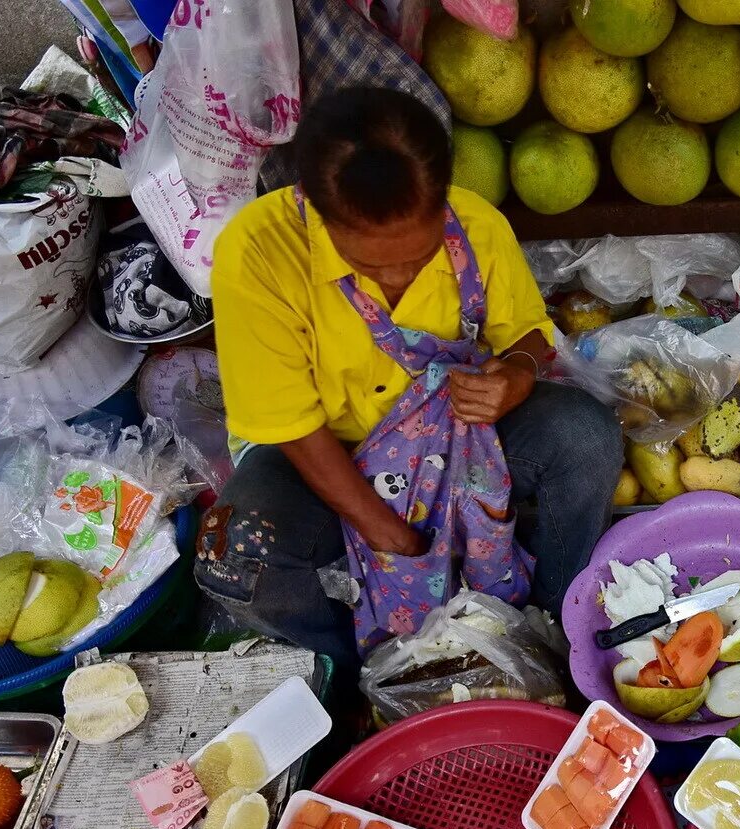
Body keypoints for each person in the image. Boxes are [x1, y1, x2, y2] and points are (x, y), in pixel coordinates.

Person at [197, 86, 620, 671]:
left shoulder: (475, 226)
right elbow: (291, 427)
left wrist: (517, 377)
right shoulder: (258, 256)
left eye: (419, 256)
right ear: (315, 211)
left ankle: (553, 629)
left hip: (460, 432)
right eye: (371, 265)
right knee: (236, 563)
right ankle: (359, 674)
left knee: (585, 438)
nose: (398, 273)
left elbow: (526, 336)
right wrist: (394, 541)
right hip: (330, 450)